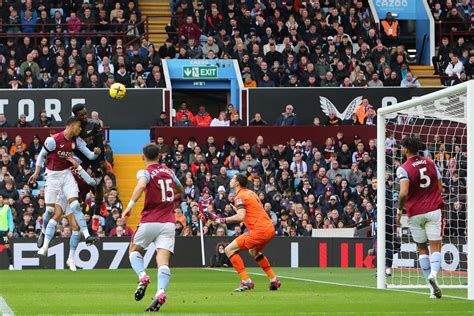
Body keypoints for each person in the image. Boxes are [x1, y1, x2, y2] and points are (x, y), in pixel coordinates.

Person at [122, 144, 183, 312]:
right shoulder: (170, 171)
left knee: (134, 251)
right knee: (163, 262)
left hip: (150, 220)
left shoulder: (145, 172)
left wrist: (129, 207)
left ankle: (142, 276)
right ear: (159, 156)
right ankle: (161, 292)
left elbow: (141, 186)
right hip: (169, 222)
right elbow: (180, 188)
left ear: (143, 157)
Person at [31, 116, 100, 255]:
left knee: (75, 205)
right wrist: (36, 172)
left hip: (66, 174)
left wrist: (96, 153)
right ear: (72, 125)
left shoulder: (77, 141)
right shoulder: (53, 140)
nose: (80, 129)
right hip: (52, 176)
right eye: (79, 127)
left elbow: (91, 156)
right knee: (49, 212)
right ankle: (43, 232)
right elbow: (41, 156)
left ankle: (87, 236)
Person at [204, 174, 281, 292]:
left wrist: (220, 220)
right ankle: (273, 279)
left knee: (229, 249)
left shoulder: (240, 197)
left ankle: (246, 280)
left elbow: (240, 217)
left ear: (237, 183)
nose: (231, 180)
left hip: (259, 231)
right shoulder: (251, 193)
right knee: (254, 251)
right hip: (269, 228)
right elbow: (252, 211)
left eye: (233, 179)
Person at [396, 136, 444, 299]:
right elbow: (440, 186)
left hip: (414, 212)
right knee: (436, 246)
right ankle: (434, 275)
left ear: (406, 150)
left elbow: (403, 193)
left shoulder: (403, 168)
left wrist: (399, 211)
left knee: (422, 248)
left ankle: (431, 289)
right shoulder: (431, 162)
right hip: (433, 210)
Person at [48, 156, 102, 271]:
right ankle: (44, 238)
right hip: (61, 195)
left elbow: (98, 196)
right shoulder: (74, 166)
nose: (90, 172)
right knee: (55, 215)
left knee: (76, 228)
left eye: (92, 173)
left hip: (73, 202)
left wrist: (96, 213)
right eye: (91, 171)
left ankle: (70, 258)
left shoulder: (89, 182)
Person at [72, 104, 106, 232]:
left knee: (98, 186)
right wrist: (86, 165)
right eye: (83, 115)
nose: (86, 116)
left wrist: (94, 163)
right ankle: (95, 205)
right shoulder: (74, 128)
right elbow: (76, 150)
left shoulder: (94, 125)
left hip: (96, 159)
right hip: (82, 162)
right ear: (76, 116)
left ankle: (96, 216)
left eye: (86, 113)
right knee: (85, 187)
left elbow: (100, 147)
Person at [0, 194, 14, 270]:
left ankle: (11, 265)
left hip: (4, 232)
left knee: (7, 247)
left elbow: (10, 220)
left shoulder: (7, 208)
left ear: (2, 199)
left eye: (0, 197)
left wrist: (11, 230)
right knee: (2, 247)